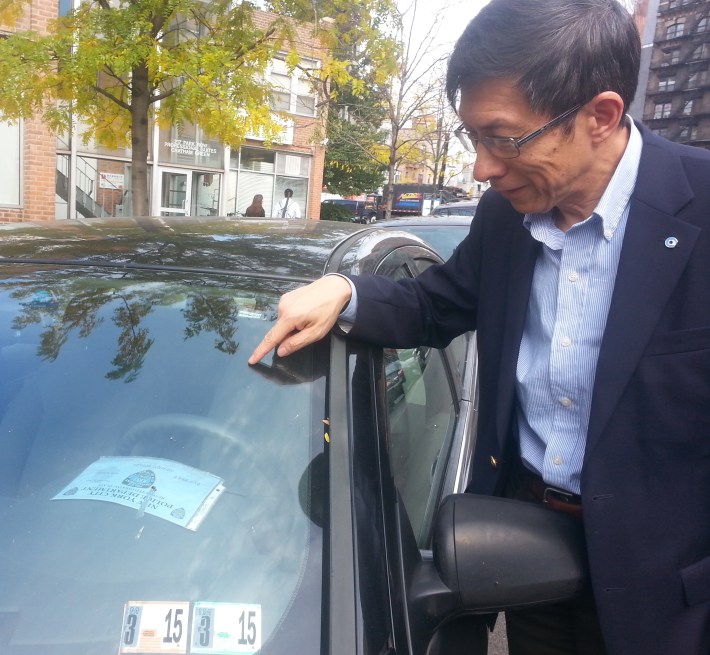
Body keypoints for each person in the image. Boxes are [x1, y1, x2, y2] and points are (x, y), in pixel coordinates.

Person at [249, 0, 710, 653]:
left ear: (600, 116)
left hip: (665, 595)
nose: (482, 168)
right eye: (472, 137)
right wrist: (344, 288)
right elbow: (436, 303)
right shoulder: (504, 219)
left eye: (503, 137)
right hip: (530, 560)